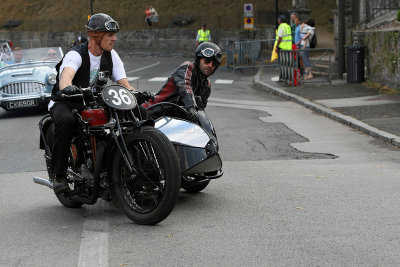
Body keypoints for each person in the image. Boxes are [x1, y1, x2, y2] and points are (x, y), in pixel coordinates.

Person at [49, 13, 151, 194]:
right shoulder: (76, 54)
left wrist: (138, 95)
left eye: (114, 35)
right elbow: (66, 78)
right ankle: (60, 175)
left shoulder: (111, 56)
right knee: (66, 121)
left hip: (92, 101)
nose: (114, 38)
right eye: (110, 35)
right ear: (96, 36)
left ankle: (136, 163)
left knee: (139, 113)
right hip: (67, 101)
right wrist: (68, 88)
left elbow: (125, 85)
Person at [142, 42, 222, 122]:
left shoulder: (207, 85)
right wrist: (191, 106)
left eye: (214, 63)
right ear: (198, 59)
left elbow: (201, 112)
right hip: (153, 113)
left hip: (173, 121)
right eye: (207, 61)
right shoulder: (188, 67)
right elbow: (184, 86)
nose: (210, 65)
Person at [274, 15, 292, 80]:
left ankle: (282, 77)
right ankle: (287, 77)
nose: (277, 21)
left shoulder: (281, 27)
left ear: (280, 20)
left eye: (278, 19)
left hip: (282, 47)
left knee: (281, 63)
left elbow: (280, 38)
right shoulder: (288, 26)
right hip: (288, 47)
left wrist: (277, 46)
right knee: (287, 63)